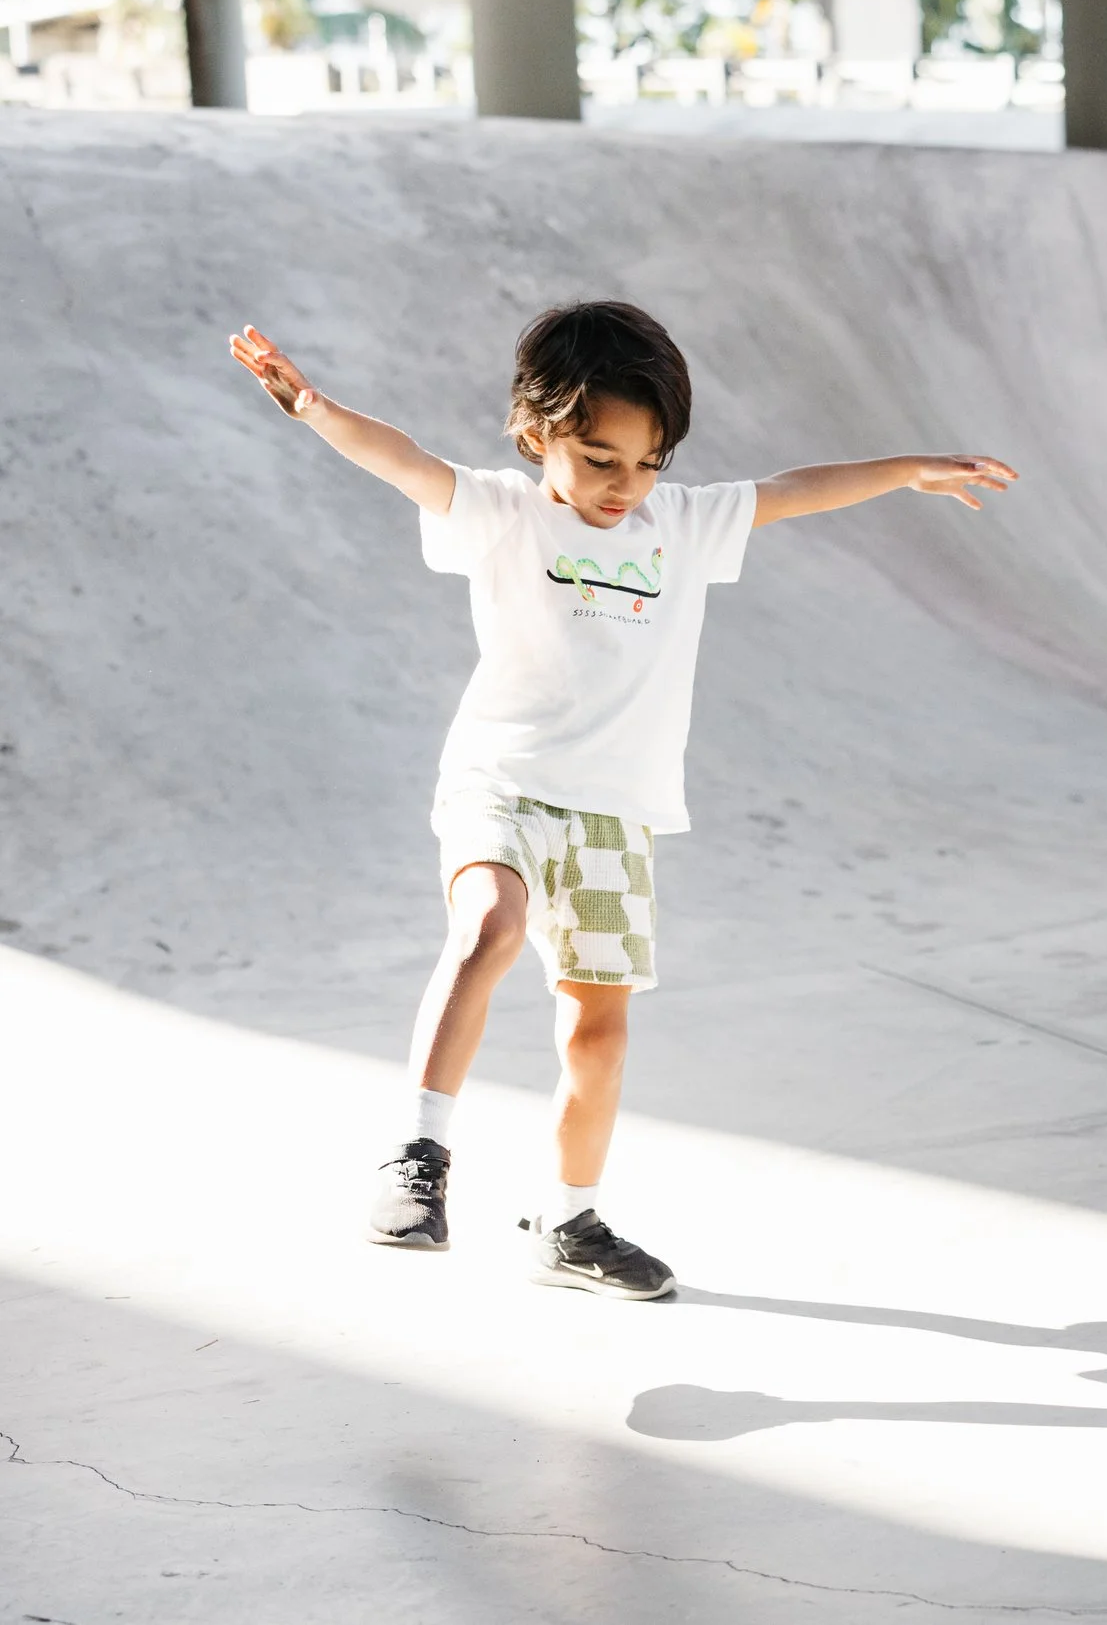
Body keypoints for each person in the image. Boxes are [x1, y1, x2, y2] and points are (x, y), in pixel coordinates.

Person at [229, 303, 1015, 1299]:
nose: (623, 486)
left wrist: (903, 469)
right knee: (491, 923)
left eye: (647, 464)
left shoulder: (678, 526)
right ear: (538, 433)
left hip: (610, 811)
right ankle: (418, 1159)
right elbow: (405, 460)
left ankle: (568, 1218)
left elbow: (790, 489)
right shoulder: (503, 512)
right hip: (503, 781)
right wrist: (314, 408)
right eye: (600, 458)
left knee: (595, 1029)